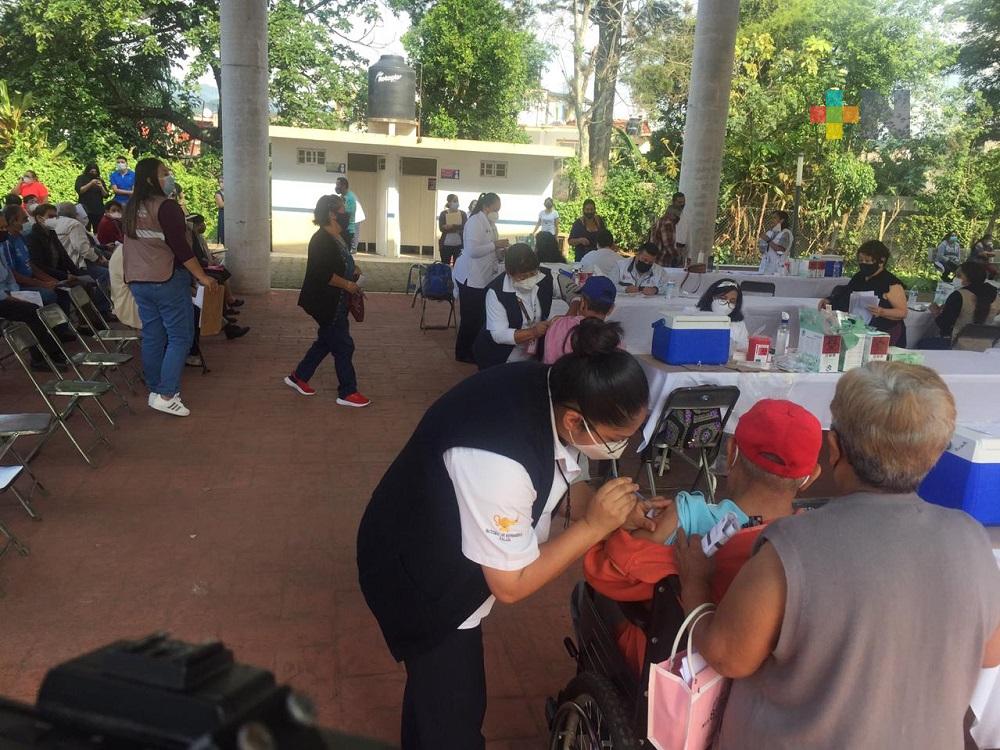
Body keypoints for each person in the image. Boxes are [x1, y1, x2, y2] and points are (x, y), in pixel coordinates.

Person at [357, 320, 667, 749]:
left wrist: (617, 514)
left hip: (433, 537)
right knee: (454, 716)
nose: (621, 451)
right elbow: (510, 584)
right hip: (418, 575)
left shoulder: (553, 387)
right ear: (577, 421)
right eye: (617, 439)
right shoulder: (499, 460)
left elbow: (554, 481)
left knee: (434, 698)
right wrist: (595, 524)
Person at [675, 362, 1000, 750]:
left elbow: (728, 657)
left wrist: (694, 581)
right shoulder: (972, 539)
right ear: (934, 456)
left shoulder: (792, 546)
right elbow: (990, 654)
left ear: (834, 449)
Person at [586, 399, 822, 674]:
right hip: (761, 678)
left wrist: (619, 529)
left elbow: (604, 572)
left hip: (668, 670)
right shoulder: (812, 541)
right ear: (810, 477)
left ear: (731, 452)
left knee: (593, 601)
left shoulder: (684, 517)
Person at [123, 157, 219, 417]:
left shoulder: (131, 207)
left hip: (138, 281)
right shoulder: (167, 207)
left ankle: (156, 389)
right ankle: (167, 394)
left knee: (154, 335)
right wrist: (202, 277)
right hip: (166, 279)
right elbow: (181, 247)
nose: (170, 177)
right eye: (164, 173)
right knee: (180, 337)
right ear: (150, 179)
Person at [283, 194, 369, 407]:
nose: (346, 214)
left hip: (336, 302)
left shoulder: (338, 237)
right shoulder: (321, 240)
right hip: (326, 304)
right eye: (342, 210)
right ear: (331, 214)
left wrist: (353, 270)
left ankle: (298, 377)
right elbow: (322, 272)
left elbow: (341, 262)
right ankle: (347, 392)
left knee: (326, 341)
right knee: (343, 345)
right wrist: (348, 285)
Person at [0, 212, 69, 370]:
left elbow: (9, 276)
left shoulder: (1, 249)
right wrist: (11, 297)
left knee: (41, 302)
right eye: (1, 227)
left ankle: (53, 349)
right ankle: (39, 359)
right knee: (32, 310)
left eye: (4, 227)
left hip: (11, 292)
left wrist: (16, 292)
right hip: (2, 298)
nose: (4, 230)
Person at [473, 243, 554, 369]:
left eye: (533, 274)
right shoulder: (496, 292)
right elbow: (499, 334)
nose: (529, 279)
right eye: (523, 276)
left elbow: (571, 291)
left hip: (531, 354)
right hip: (500, 357)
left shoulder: (545, 277)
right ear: (509, 273)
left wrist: (573, 307)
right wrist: (533, 332)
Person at [820, 239, 909, 346]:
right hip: (859, 330)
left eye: (867, 261)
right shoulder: (859, 276)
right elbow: (845, 294)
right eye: (861, 261)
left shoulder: (891, 283)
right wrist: (829, 300)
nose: (863, 264)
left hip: (885, 334)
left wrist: (882, 311)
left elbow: (902, 312)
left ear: (881, 261)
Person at [453, 192, 508, 363]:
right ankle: (462, 352)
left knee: (479, 317)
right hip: (471, 277)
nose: (497, 213)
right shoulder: (474, 221)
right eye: (496, 209)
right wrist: (495, 245)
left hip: (484, 276)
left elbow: (491, 250)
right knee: (470, 318)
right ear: (486, 207)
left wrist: (500, 253)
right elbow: (472, 251)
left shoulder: (491, 224)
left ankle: (474, 349)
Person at [186, 213, 249, 340]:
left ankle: (225, 321)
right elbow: (191, 259)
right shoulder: (186, 238)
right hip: (186, 280)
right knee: (205, 296)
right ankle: (225, 324)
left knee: (212, 285)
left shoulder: (192, 238)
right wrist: (202, 277)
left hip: (188, 279)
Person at [921, 261, 1000, 348]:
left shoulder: (959, 295)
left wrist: (935, 311)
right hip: (985, 346)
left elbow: (944, 325)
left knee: (921, 342)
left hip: (957, 344)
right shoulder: (996, 296)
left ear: (970, 278)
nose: (955, 278)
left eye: (959, 276)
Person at [542, 276, 617, 365]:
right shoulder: (613, 339)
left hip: (556, 376)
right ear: (610, 309)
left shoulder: (559, 324)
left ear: (582, 303)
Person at [51, 202, 110, 290]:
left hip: (62, 264)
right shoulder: (74, 224)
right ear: (74, 213)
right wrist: (97, 259)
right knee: (105, 273)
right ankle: (103, 302)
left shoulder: (54, 222)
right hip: (76, 264)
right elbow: (83, 248)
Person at [697, 279, 749, 356]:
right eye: (723, 298)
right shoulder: (696, 319)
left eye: (732, 301)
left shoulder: (738, 325)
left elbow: (743, 350)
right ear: (711, 297)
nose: (726, 304)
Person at [650, 193, 684, 266]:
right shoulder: (668, 224)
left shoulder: (661, 220)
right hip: (661, 262)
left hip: (655, 260)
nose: (682, 205)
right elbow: (669, 245)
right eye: (679, 202)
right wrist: (679, 258)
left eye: (683, 203)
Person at [75, 163, 109, 231]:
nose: (93, 173)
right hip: (85, 209)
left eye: (95, 172)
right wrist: (91, 183)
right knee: (85, 230)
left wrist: (101, 187)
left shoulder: (100, 179)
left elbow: (106, 195)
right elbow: (80, 190)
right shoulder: (81, 178)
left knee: (98, 230)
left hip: (98, 209)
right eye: (92, 172)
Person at [758, 210, 793, 275]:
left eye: (774, 218)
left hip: (778, 269)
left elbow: (781, 250)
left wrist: (768, 240)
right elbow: (762, 250)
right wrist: (762, 243)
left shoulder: (786, 233)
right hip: (765, 267)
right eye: (772, 218)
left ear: (781, 220)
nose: (772, 220)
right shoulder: (769, 232)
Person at [437, 194, 466, 266]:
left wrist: (452, 226)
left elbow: (464, 227)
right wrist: (455, 228)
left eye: (457, 201)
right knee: (445, 266)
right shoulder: (443, 214)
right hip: (446, 245)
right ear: (449, 203)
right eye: (454, 201)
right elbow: (441, 228)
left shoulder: (462, 214)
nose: (456, 203)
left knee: (458, 266)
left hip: (459, 245)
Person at [335, 177, 358, 252]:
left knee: (345, 253)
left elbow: (349, 212)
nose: (336, 187)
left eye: (338, 185)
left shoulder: (350, 198)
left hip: (347, 230)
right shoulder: (342, 197)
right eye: (336, 184)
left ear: (344, 186)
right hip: (341, 229)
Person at [215, 178, 225, 244]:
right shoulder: (218, 193)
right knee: (223, 233)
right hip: (223, 215)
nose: (221, 184)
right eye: (220, 182)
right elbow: (221, 205)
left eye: (222, 181)